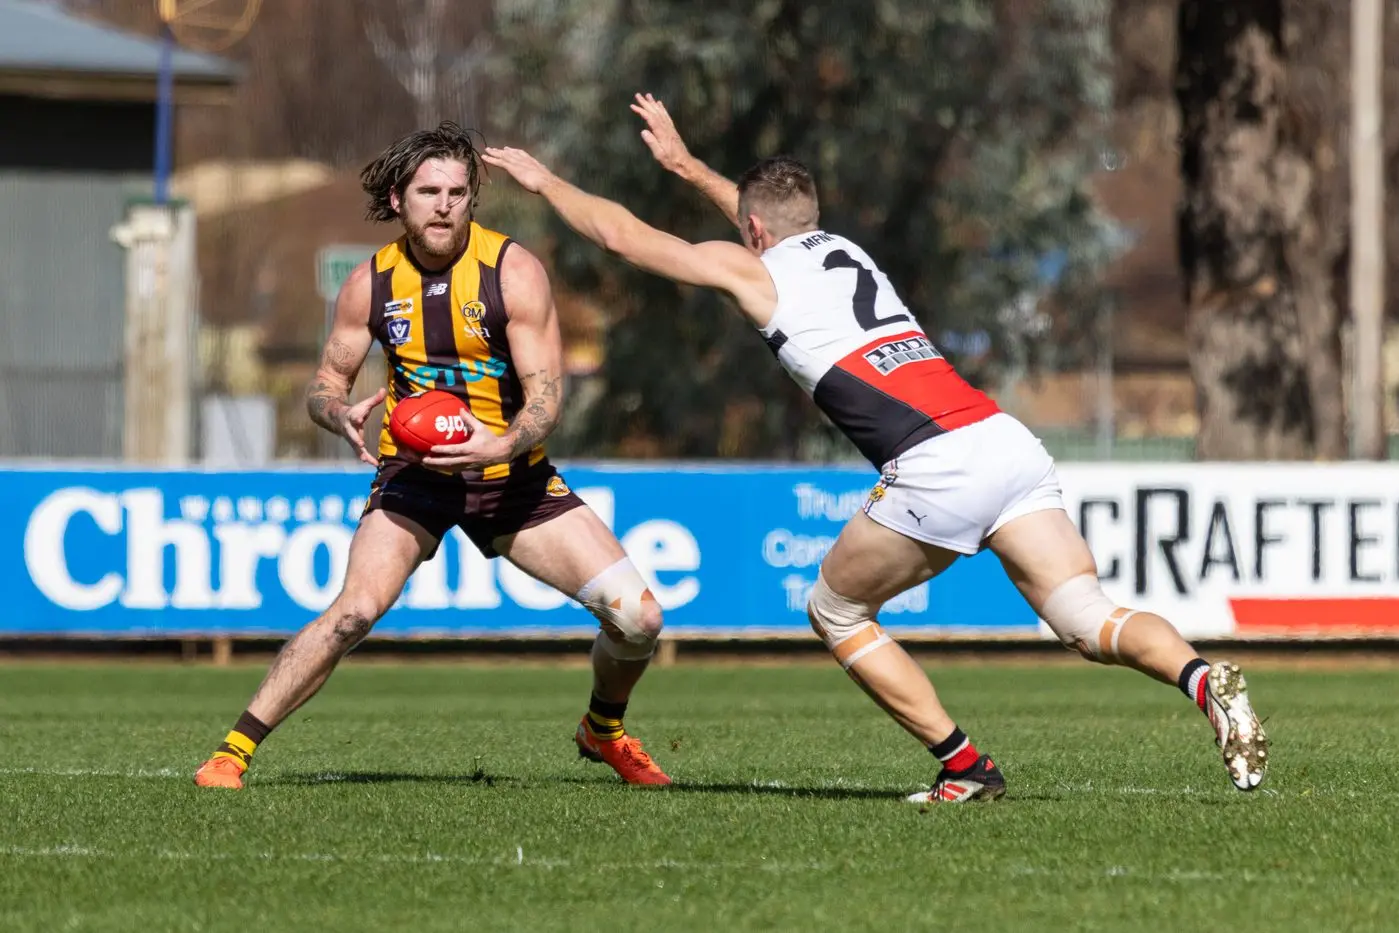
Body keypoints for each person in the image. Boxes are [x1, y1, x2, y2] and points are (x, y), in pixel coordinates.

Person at [479, 95, 1270, 802]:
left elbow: (620, 235)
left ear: (750, 232)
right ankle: (1203, 679)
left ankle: (964, 766)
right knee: (1084, 615)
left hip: (934, 461)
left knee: (835, 608)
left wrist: (545, 181)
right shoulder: (839, 250)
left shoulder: (753, 273)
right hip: (1003, 439)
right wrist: (687, 166)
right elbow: (763, 220)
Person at [194, 122, 672, 790]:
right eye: (428, 191)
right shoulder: (369, 283)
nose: (444, 204)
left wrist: (501, 441)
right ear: (399, 199)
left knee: (639, 618)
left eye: (456, 191)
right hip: (413, 480)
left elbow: (545, 396)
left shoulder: (514, 271)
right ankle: (232, 752)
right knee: (353, 612)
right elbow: (323, 386)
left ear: (471, 198)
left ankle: (603, 728)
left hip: (511, 477)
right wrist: (338, 413)